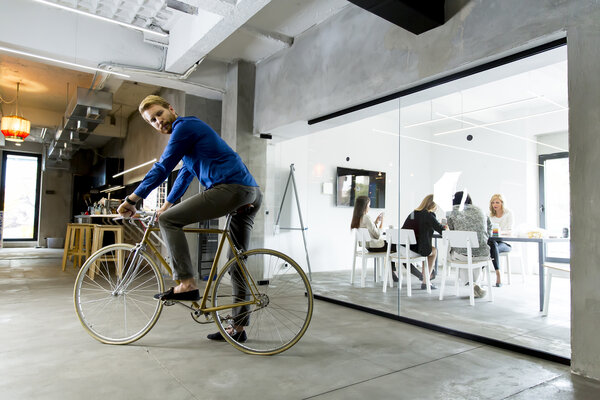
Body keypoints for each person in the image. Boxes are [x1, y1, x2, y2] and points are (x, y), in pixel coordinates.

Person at [117, 95, 262, 343]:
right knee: (236, 261)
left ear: (171, 109)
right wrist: (166, 205)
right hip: (250, 193)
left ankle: (186, 283)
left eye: (159, 114)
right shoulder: (189, 139)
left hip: (231, 189)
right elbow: (184, 175)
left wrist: (132, 199)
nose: (157, 122)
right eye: (152, 121)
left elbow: (163, 167)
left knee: (169, 222)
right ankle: (238, 329)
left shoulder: (185, 126)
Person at [446, 191, 491, 298]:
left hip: (462, 255)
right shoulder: (481, 210)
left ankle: (471, 284)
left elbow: (452, 232)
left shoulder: (452, 212)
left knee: (459, 254)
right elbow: (489, 229)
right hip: (483, 254)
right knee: (472, 257)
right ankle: (475, 285)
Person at [401, 194, 446, 290]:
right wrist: (446, 227)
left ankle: (425, 276)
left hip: (402, 248)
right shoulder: (428, 214)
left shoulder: (413, 213)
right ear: (433, 205)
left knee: (427, 249)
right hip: (413, 250)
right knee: (433, 251)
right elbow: (442, 231)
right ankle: (426, 282)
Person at [350, 195, 398, 280]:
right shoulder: (366, 217)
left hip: (368, 247)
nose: (369, 207)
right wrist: (382, 223)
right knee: (395, 246)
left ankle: (393, 273)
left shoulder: (357, 218)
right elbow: (377, 235)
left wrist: (375, 222)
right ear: (364, 206)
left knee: (393, 246)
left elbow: (370, 231)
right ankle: (393, 273)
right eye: (369, 205)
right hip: (375, 247)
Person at [488, 193, 513, 286]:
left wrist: (499, 232)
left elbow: (510, 231)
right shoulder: (490, 215)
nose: (495, 204)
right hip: (493, 242)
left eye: (497, 202)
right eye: (493, 202)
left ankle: (498, 275)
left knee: (493, 248)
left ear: (502, 203)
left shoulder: (508, 213)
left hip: (505, 243)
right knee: (491, 245)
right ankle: (498, 273)